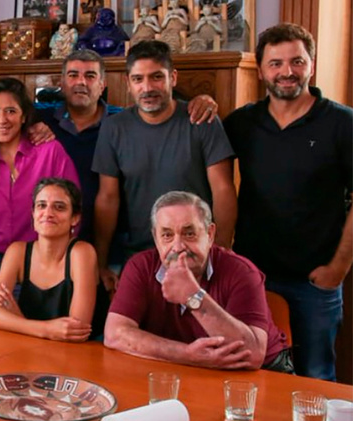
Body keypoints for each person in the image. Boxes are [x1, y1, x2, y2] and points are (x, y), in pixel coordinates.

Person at [224, 23, 353, 381]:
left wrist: (337, 269)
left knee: (316, 379)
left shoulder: (342, 123)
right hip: (253, 275)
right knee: (254, 375)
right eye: (276, 63)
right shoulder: (242, 123)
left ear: (311, 64)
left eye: (297, 61)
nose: (286, 72)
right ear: (262, 69)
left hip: (315, 281)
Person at [92, 40, 236, 294]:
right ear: (128, 83)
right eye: (138, 79)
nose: (147, 87)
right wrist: (100, 262)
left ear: (173, 77)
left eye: (156, 77)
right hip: (139, 257)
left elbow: (223, 190)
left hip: (196, 256)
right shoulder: (114, 128)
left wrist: (220, 251)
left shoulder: (201, 121)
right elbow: (107, 198)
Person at [37, 50, 220, 245]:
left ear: (103, 84)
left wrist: (205, 99)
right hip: (53, 233)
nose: (81, 82)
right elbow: (10, 111)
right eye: (73, 75)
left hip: (117, 238)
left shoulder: (119, 124)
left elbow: (158, 113)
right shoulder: (41, 118)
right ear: (61, 83)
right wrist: (31, 122)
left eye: (90, 76)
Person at [104, 192, 292, 372]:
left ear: (210, 234)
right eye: (167, 235)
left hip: (262, 374)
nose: (178, 246)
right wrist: (187, 354)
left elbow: (252, 356)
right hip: (182, 368)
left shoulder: (242, 271)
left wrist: (193, 296)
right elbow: (115, 334)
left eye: (189, 233)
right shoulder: (140, 266)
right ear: (155, 237)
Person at [0, 77, 80, 296]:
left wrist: (63, 262)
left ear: (23, 116)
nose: (2, 119)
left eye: (11, 110)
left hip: (42, 265)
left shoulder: (50, 152)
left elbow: (74, 210)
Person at [0, 178, 100, 342]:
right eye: (41, 205)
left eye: (59, 207)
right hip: (29, 350)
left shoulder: (82, 253)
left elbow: (76, 331)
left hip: (78, 356)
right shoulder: (17, 252)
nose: (48, 213)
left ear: (74, 218)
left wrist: (16, 319)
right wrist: (47, 330)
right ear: (33, 214)